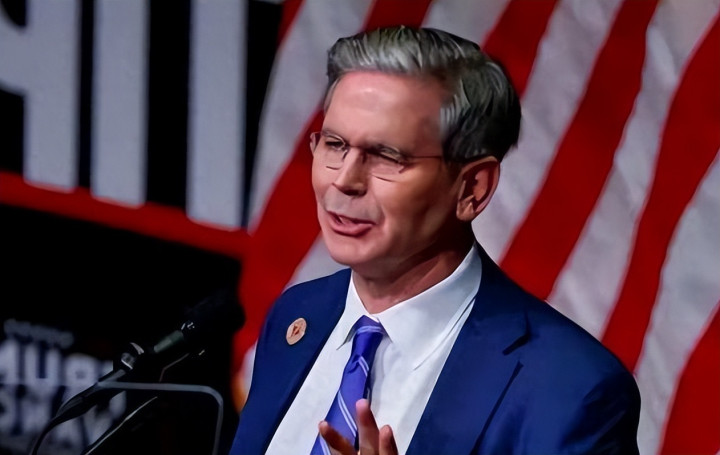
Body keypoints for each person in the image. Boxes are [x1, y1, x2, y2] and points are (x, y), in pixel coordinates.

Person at [229, 25, 640, 455]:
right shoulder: (298, 316)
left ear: (472, 189)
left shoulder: (571, 391)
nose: (345, 180)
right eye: (334, 144)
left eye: (387, 156)